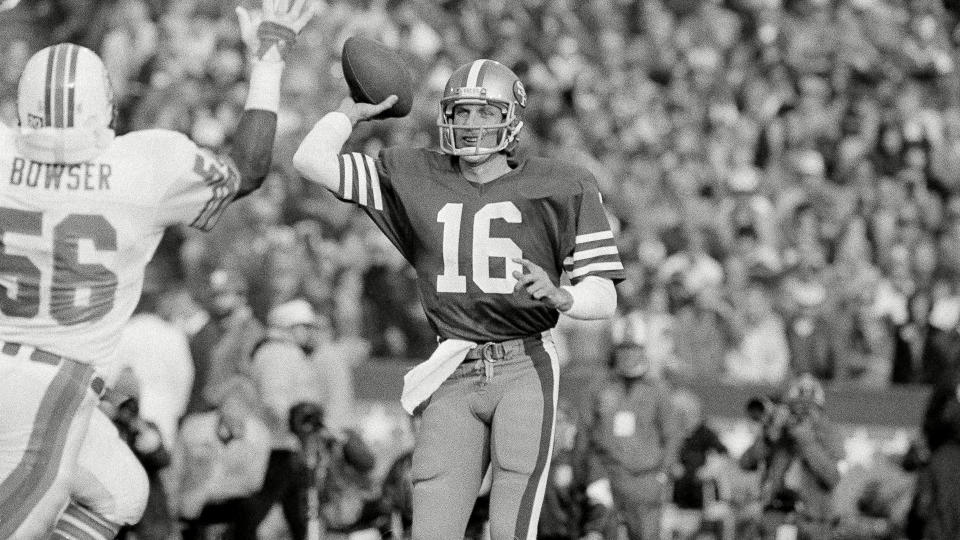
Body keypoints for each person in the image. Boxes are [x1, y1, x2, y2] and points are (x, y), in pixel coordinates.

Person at [0, 0, 318, 537]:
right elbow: (251, 169)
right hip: (55, 385)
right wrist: (267, 62)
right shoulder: (142, 169)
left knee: (122, 494)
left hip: (23, 371)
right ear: (103, 110)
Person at [293, 58, 624, 539]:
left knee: (512, 526)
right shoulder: (416, 173)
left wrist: (564, 296)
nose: (470, 125)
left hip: (524, 361)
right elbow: (310, 161)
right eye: (461, 112)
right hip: (454, 362)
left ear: (511, 118)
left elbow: (604, 294)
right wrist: (349, 111)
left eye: (483, 112)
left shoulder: (562, 184)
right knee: (431, 517)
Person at [581, 335, 681, 540]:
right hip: (607, 476)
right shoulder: (599, 388)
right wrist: (591, 475)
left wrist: (662, 474)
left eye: (634, 349)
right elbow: (585, 433)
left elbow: (673, 435)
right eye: (623, 349)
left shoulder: (658, 390)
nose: (628, 355)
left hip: (645, 479)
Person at [739, 374, 845, 540]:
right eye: (796, 407)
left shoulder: (828, 434)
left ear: (819, 411)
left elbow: (832, 477)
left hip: (812, 519)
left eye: (808, 409)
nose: (801, 414)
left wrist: (806, 441)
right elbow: (746, 462)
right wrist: (769, 437)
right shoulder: (778, 434)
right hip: (776, 513)